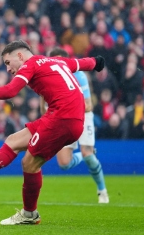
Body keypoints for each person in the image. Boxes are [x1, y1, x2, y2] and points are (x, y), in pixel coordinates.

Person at [0, 40, 104, 225]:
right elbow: (83, 63)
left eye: (8, 63)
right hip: (65, 117)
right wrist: (98, 62)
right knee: (13, 141)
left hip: (62, 118)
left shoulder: (29, 64)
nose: (8, 69)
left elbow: (11, 91)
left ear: (21, 56)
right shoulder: (57, 61)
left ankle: (29, 214)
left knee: (29, 164)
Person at [45, 48, 108, 204]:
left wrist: (68, 105)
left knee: (88, 155)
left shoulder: (79, 75)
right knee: (64, 164)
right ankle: (87, 153)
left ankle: (102, 190)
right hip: (63, 118)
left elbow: (88, 105)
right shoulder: (48, 78)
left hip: (82, 116)